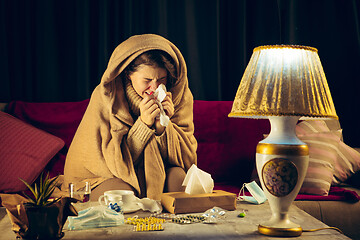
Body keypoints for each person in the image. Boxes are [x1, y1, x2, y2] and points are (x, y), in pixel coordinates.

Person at [63, 34, 197, 201]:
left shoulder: (179, 96)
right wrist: (144, 125)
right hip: (108, 176)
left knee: (179, 178)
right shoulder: (106, 96)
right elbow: (110, 164)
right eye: (147, 80)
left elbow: (187, 159)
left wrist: (162, 128)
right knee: (122, 194)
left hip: (156, 171)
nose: (154, 88)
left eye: (161, 79)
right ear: (128, 74)